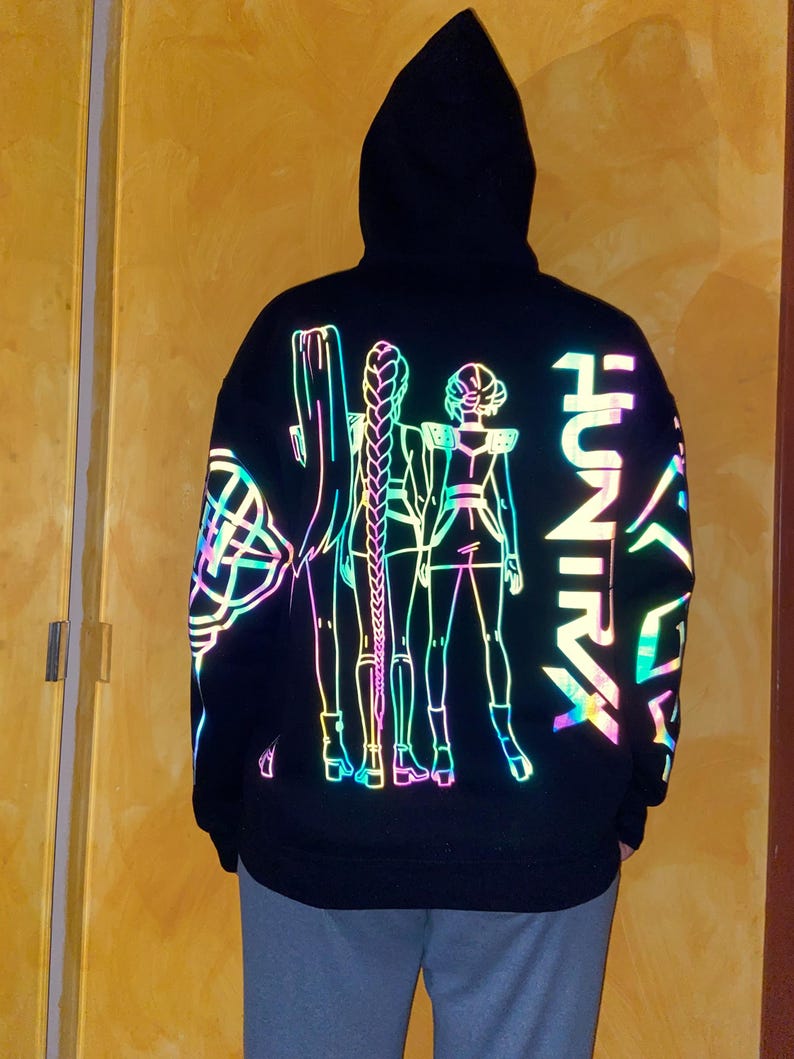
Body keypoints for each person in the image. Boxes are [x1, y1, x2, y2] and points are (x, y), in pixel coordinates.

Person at [188, 10, 694, 1058]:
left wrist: (226, 785)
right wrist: (628, 782)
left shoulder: (289, 333)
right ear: (515, 179)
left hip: (319, 833)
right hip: (540, 840)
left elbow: (230, 586)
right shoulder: (606, 348)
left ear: (377, 172)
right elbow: (657, 581)